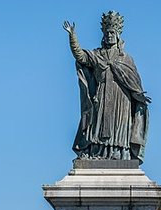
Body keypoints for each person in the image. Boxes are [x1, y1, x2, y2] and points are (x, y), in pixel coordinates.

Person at [63, 11, 151, 163]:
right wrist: (72, 36)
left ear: (118, 35)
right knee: (97, 125)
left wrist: (138, 95)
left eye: (113, 32)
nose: (110, 35)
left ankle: (120, 153)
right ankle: (97, 152)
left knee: (121, 128)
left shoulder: (126, 58)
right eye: (108, 32)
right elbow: (80, 56)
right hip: (102, 95)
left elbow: (133, 81)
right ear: (104, 34)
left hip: (122, 98)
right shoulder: (98, 54)